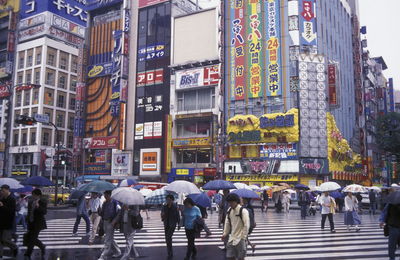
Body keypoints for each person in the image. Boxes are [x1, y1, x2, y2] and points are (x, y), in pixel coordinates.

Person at [221, 193, 249, 260]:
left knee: (240, 258)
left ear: (236, 201)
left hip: (240, 239)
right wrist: (225, 233)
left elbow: (246, 225)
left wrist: (243, 237)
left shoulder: (243, 211)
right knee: (230, 257)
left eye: (231, 202)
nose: (230, 204)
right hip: (232, 238)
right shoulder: (229, 210)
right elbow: (227, 223)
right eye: (229, 202)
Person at [24, 188, 47, 260]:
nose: (33, 196)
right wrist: (27, 221)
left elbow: (44, 212)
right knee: (32, 238)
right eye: (32, 195)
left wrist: (38, 206)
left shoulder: (42, 202)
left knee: (32, 240)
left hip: (38, 224)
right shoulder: (30, 202)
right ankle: (42, 246)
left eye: (34, 195)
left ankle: (28, 254)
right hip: (31, 223)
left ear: (39, 195)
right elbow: (29, 212)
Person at [98, 190, 121, 260]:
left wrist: (115, 221)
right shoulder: (105, 203)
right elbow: (102, 213)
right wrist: (99, 210)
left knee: (107, 239)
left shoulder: (115, 202)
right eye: (104, 195)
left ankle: (103, 256)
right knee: (110, 238)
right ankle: (118, 252)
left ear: (110, 195)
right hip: (105, 222)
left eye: (106, 195)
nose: (105, 197)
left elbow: (119, 212)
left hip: (111, 223)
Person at [0, 185, 18, 259]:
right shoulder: (2, 198)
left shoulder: (12, 199)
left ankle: (14, 247)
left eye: (3, 191)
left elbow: (11, 211)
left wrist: (2, 206)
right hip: (1, 222)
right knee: (0, 240)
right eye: (1, 191)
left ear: (8, 190)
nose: (2, 192)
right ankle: (0, 254)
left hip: (8, 222)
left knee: (4, 239)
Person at [161, 194, 180, 259]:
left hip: (172, 224)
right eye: (167, 199)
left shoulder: (175, 206)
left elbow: (177, 215)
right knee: (167, 238)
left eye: (169, 200)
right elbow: (162, 214)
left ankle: (170, 252)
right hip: (166, 224)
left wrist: (179, 224)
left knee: (168, 237)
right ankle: (169, 252)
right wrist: (162, 215)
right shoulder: (164, 206)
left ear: (172, 200)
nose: (168, 201)